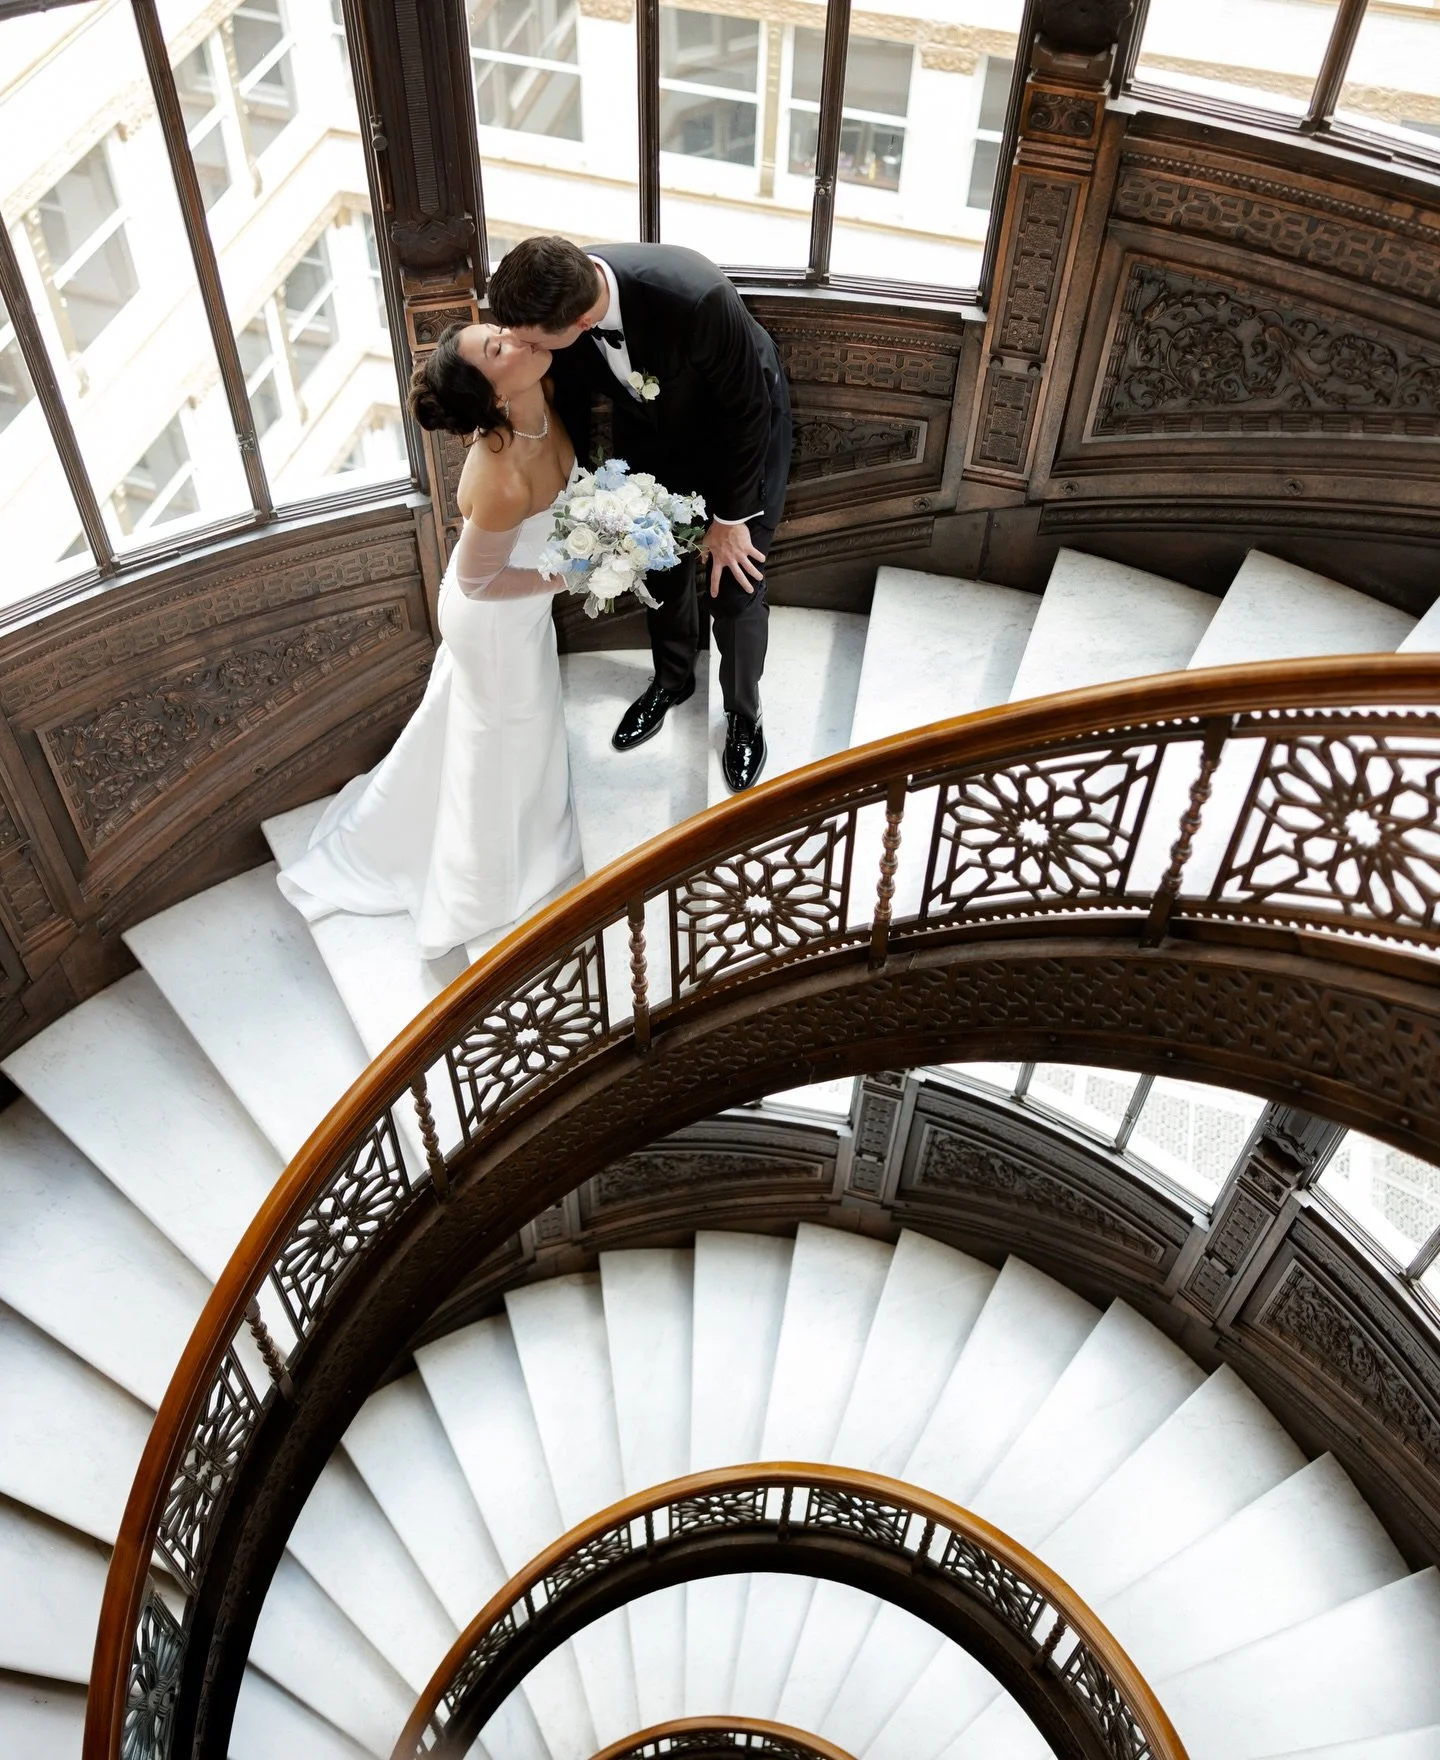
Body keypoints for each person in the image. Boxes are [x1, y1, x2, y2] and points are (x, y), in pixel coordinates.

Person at [276, 322, 583, 959]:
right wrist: (575, 572)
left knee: (496, 723)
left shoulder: (545, 395)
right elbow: (476, 582)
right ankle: (481, 889)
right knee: (503, 735)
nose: (516, 338)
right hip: (493, 622)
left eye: (497, 332)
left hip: (522, 610)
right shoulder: (499, 477)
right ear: (495, 395)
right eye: (498, 350)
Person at [488, 236, 792, 792]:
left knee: (737, 584)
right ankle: (673, 681)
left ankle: (744, 716)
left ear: (580, 321)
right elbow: (572, 401)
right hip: (651, 434)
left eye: (530, 342)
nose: (519, 348)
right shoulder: (554, 292)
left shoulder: (696, 298)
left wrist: (729, 519)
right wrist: (575, 488)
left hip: (740, 435)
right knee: (655, 563)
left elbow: (747, 411)